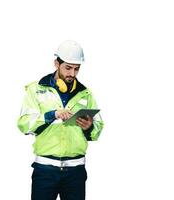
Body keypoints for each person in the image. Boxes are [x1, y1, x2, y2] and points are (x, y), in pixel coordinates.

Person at [17, 40, 104, 200]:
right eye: (68, 68)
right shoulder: (36, 90)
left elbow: (98, 129)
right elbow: (24, 124)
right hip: (45, 169)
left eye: (76, 69)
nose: (72, 73)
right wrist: (52, 115)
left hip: (75, 171)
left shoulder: (86, 94)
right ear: (57, 63)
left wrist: (89, 127)